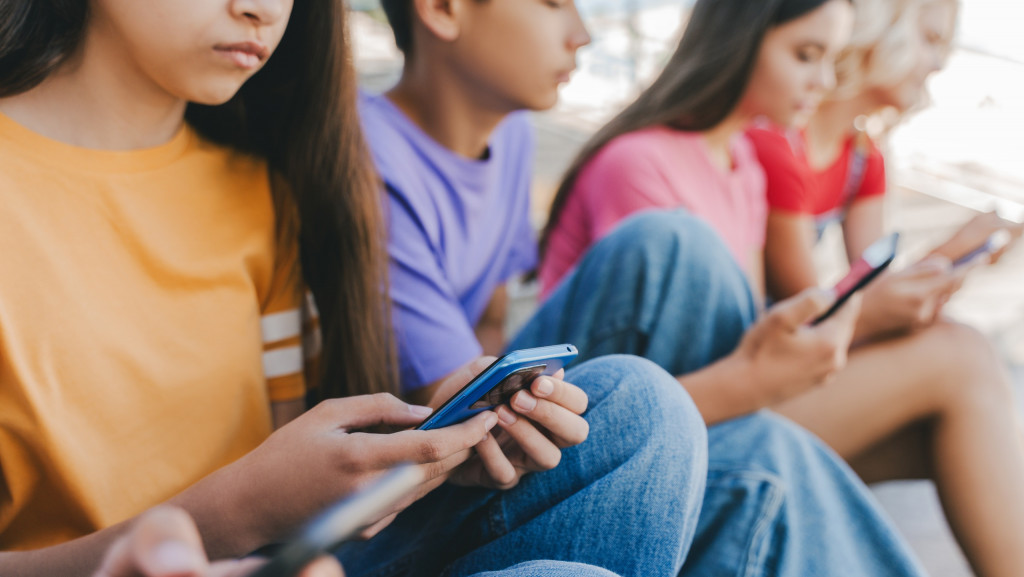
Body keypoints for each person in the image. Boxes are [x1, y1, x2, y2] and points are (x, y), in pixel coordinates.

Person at [0, 1, 708, 576]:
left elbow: (286, 458)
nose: (261, 11)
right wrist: (234, 511)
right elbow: (259, 497)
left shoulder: (259, 192)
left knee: (644, 408)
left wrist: (421, 449)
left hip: (297, 556)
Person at [367, 0, 928, 574]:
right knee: (672, 261)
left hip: (494, 446)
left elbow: (489, 326)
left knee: (758, 442)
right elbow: (462, 424)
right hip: (412, 486)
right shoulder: (372, 165)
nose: (582, 34)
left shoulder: (511, 137)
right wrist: (754, 378)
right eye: (553, 4)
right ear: (441, 8)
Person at [538, 0, 1024, 574]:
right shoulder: (644, 167)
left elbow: (748, 323)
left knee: (952, 401)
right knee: (956, 359)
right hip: (637, 427)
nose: (824, 79)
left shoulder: (742, 162)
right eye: (806, 55)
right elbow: (632, 386)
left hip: (716, 393)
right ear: (742, 40)